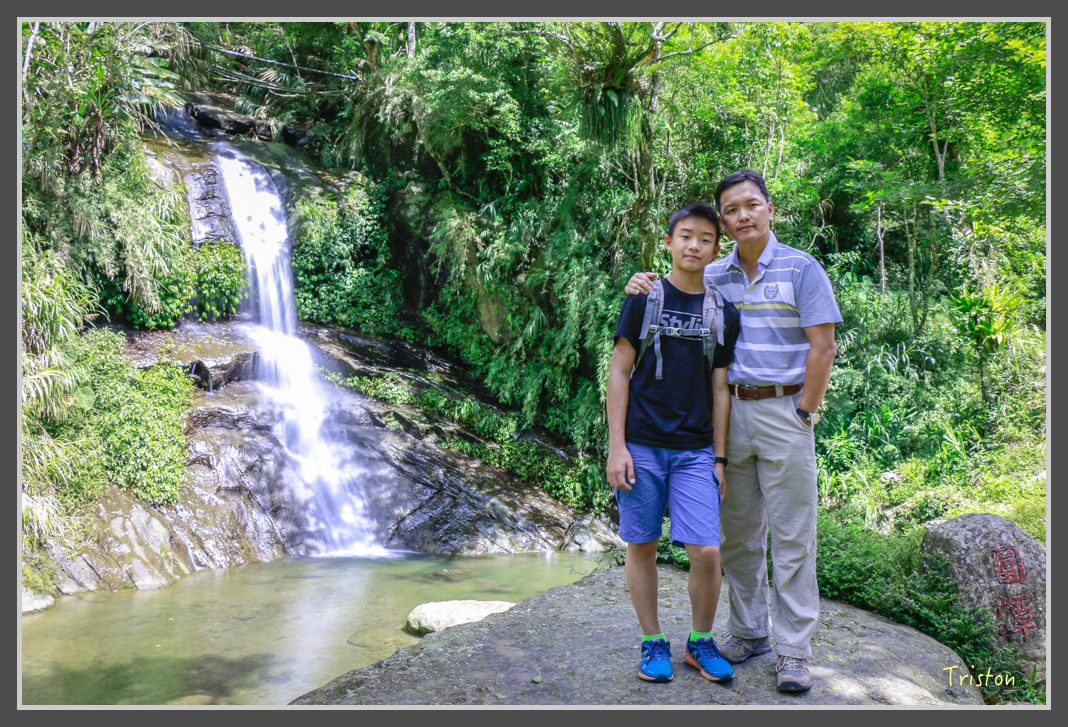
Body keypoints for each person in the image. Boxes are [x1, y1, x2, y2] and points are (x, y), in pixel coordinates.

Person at [624, 170, 840, 692]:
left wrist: (806, 411)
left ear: (769, 209)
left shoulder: (801, 268)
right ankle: (747, 632)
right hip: (726, 415)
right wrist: (640, 283)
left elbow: (824, 346)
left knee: (791, 535)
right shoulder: (714, 273)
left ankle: (793, 650)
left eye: (752, 205)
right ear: (723, 221)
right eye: (732, 209)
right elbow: (676, 290)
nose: (743, 215)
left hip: (785, 412)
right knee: (738, 534)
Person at [607, 202, 741, 684]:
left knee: (706, 550)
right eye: (685, 236)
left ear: (715, 249)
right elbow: (620, 373)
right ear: (668, 242)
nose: (694, 246)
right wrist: (616, 447)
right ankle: (652, 640)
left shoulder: (722, 312)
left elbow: (721, 388)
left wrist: (720, 458)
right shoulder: (643, 298)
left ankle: (700, 641)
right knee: (641, 543)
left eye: (705, 239)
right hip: (641, 444)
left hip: (695, 449)